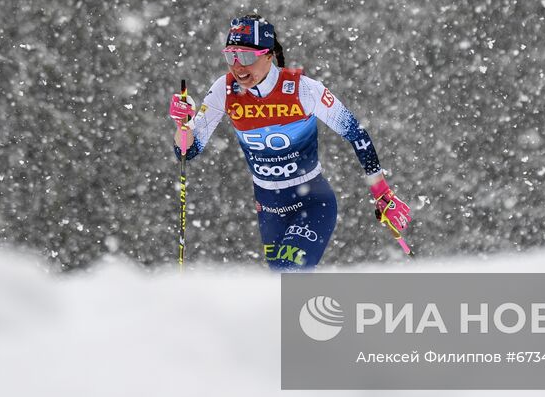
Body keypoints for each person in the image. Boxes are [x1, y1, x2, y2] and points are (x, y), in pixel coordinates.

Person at [167, 15, 413, 270]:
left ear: (268, 55)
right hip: (268, 208)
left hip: (312, 201)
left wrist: (382, 192)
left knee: (289, 274)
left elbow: (355, 132)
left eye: (247, 57)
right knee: (281, 290)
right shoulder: (224, 90)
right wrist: (183, 126)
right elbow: (188, 150)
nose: (239, 67)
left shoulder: (302, 90)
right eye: (231, 56)